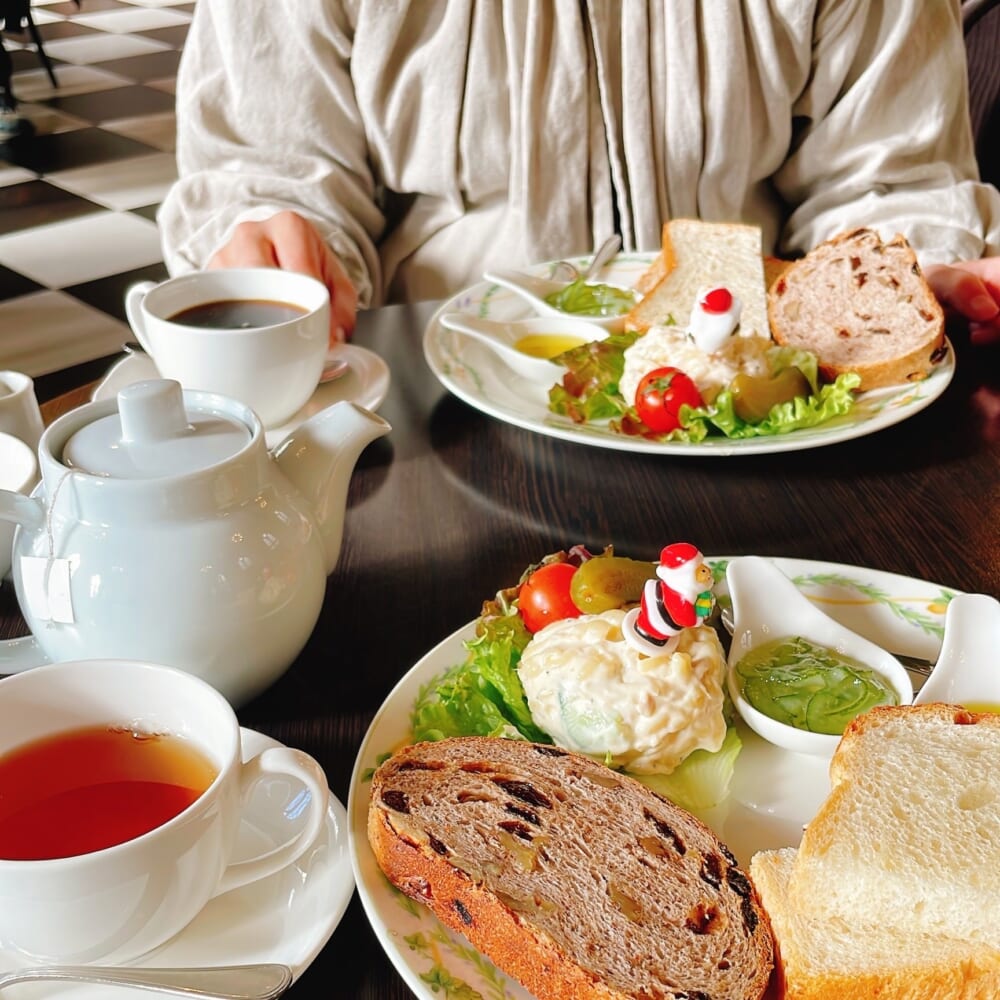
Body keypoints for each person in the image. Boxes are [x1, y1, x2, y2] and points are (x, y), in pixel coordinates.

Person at [158, 1, 1000, 348]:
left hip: (763, 395)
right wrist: (284, 251)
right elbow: (272, 164)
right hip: (430, 415)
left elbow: (889, 178)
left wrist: (908, 272)